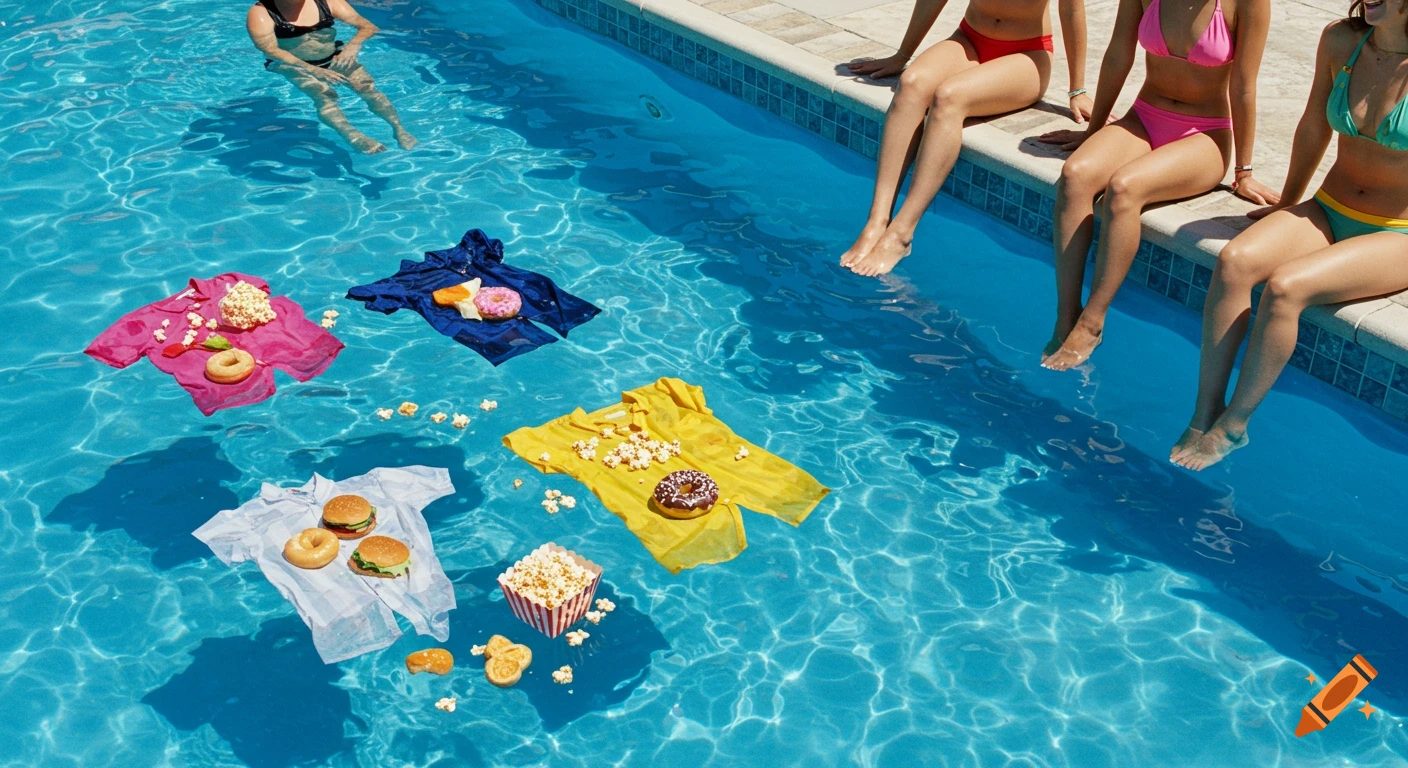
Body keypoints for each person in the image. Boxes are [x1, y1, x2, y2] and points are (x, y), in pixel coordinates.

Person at [1172, 0, 1408, 470]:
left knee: (1285, 289)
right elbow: (1312, 128)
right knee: (1235, 261)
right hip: (1330, 206)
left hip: (1397, 231)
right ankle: (1204, 411)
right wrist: (1288, 207)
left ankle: (1235, 424)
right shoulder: (1343, 40)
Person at [1037, 0, 1276, 370]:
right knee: (1076, 174)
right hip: (1144, 117)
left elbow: (1244, 86)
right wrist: (1093, 129)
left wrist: (1243, 172)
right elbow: (1119, 54)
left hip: (1204, 135)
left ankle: (1092, 321)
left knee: (1124, 189)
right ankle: (1066, 312)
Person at [839, 0, 1093, 277]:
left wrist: (1076, 90)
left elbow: (1071, 10)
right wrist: (902, 56)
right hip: (969, 40)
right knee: (912, 83)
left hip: (1027, 54)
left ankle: (901, 233)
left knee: (949, 97)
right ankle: (876, 221)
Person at [246, 0, 415, 153]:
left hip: (334, 57)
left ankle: (399, 129)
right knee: (325, 95)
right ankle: (352, 135)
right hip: (294, 64)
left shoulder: (327, 2)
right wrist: (311, 69)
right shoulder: (262, 12)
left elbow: (368, 26)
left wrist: (352, 47)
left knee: (367, 88)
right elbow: (270, 49)